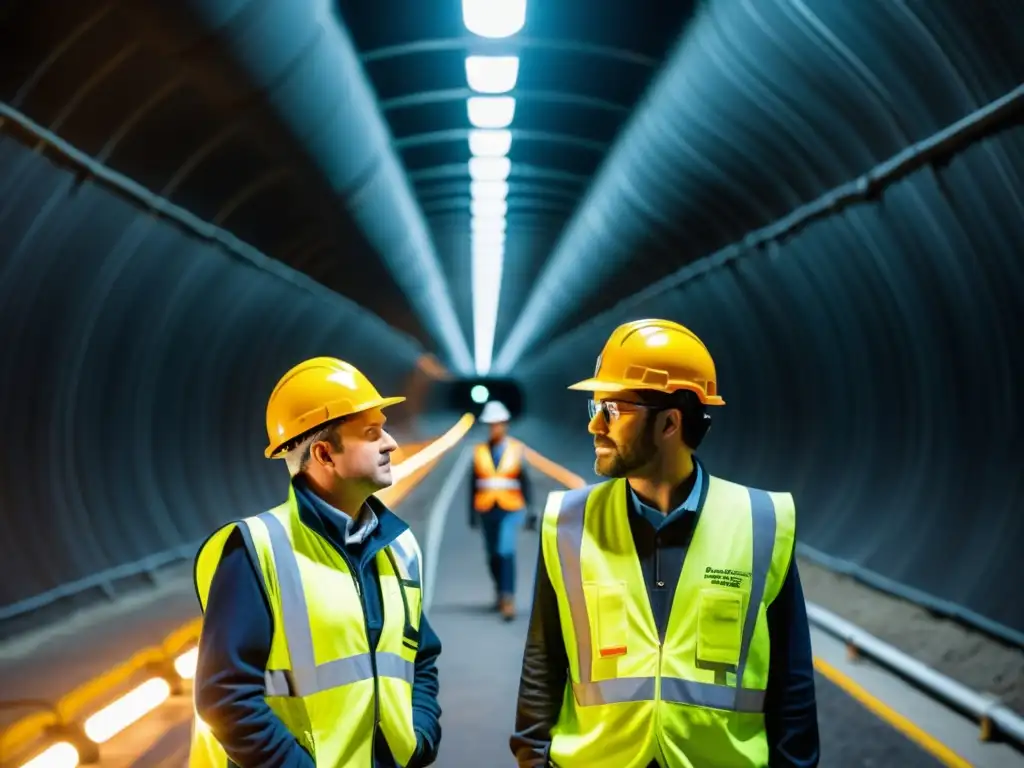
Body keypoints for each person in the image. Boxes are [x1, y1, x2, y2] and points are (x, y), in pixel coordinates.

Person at [510, 319, 820, 768]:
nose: (595, 425)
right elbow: (543, 662)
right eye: (595, 407)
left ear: (670, 423)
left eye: (613, 410)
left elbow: (791, 683)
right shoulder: (567, 523)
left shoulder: (761, 523)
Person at [189, 357, 442, 768]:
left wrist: (421, 737)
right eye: (373, 433)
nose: (392, 443)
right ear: (324, 454)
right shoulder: (256, 550)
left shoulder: (399, 547)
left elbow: (420, 656)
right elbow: (226, 695)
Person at [468, 400, 534, 621]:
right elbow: (473, 483)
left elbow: (525, 481)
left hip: (510, 508)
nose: (495, 428)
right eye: (491, 424)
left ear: (505, 424)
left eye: (498, 423)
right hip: (487, 508)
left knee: (505, 551)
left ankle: (508, 599)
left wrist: (531, 510)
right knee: (492, 554)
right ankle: (499, 591)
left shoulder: (515, 450)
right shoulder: (479, 451)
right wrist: (472, 514)